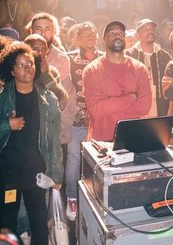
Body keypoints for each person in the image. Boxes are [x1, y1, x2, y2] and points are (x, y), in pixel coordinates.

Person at [0, 42, 63, 245]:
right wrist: (6, 124)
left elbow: (54, 139)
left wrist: (56, 174)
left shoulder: (48, 99)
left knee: (39, 222)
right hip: (8, 172)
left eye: (30, 63)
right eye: (20, 64)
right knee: (7, 223)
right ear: (11, 69)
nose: (27, 68)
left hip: (37, 173)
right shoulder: (2, 98)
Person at [83, 20, 152, 141]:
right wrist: (130, 98)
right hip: (102, 142)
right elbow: (96, 109)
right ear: (103, 40)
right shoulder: (92, 70)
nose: (117, 35)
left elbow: (144, 107)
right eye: (112, 33)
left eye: (121, 33)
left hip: (132, 137)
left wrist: (109, 104)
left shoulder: (140, 69)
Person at [66, 21, 103, 221]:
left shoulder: (105, 58)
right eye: (86, 34)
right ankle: (72, 198)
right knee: (74, 159)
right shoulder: (69, 59)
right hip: (77, 118)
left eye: (93, 33)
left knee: (99, 159)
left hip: (101, 118)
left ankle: (97, 197)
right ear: (77, 38)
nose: (90, 36)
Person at [26, 12, 76, 145]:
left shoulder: (61, 59)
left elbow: (65, 100)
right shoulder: (17, 55)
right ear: (31, 31)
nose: (43, 33)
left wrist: (59, 134)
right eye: (38, 28)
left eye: (47, 29)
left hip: (52, 131)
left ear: (53, 31)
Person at [126, 18, 171, 116]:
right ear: (138, 35)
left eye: (151, 29)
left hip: (160, 104)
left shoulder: (164, 55)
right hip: (136, 104)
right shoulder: (128, 55)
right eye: (145, 29)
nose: (149, 31)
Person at [24, 33, 68, 111]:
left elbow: (62, 104)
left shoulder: (52, 72)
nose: (40, 53)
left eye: (43, 49)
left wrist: (46, 75)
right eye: (35, 49)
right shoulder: (19, 71)